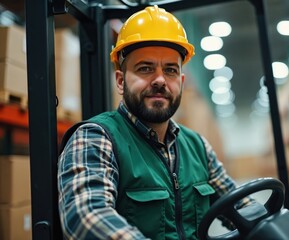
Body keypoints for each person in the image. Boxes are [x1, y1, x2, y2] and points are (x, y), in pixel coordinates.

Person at [57, 5, 252, 240]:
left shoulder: (197, 146)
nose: (160, 80)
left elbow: (241, 205)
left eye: (170, 70)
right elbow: (86, 217)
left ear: (180, 81)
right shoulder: (96, 138)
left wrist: (267, 222)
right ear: (121, 81)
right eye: (145, 68)